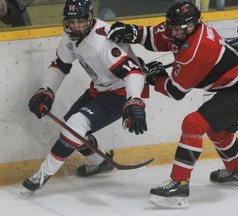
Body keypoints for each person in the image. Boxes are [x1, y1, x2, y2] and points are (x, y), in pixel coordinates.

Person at [107, 1, 238, 208]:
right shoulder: (178, 27)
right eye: (172, 27)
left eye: (182, 28)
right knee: (218, 131)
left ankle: (179, 185)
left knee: (193, 124)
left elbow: (176, 91)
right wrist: (133, 32)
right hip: (235, 82)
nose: (175, 32)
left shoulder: (197, 50)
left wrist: (156, 78)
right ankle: (237, 170)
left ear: (194, 25)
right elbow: (155, 38)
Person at [22, 0, 147, 192]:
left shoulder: (101, 39)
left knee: (74, 126)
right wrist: (47, 90)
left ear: (89, 19)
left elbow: (134, 73)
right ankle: (101, 162)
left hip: (121, 93)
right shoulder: (70, 36)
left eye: (80, 21)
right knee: (70, 127)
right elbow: (60, 65)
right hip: (99, 88)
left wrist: (134, 100)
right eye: (71, 21)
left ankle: (43, 174)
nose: (76, 26)